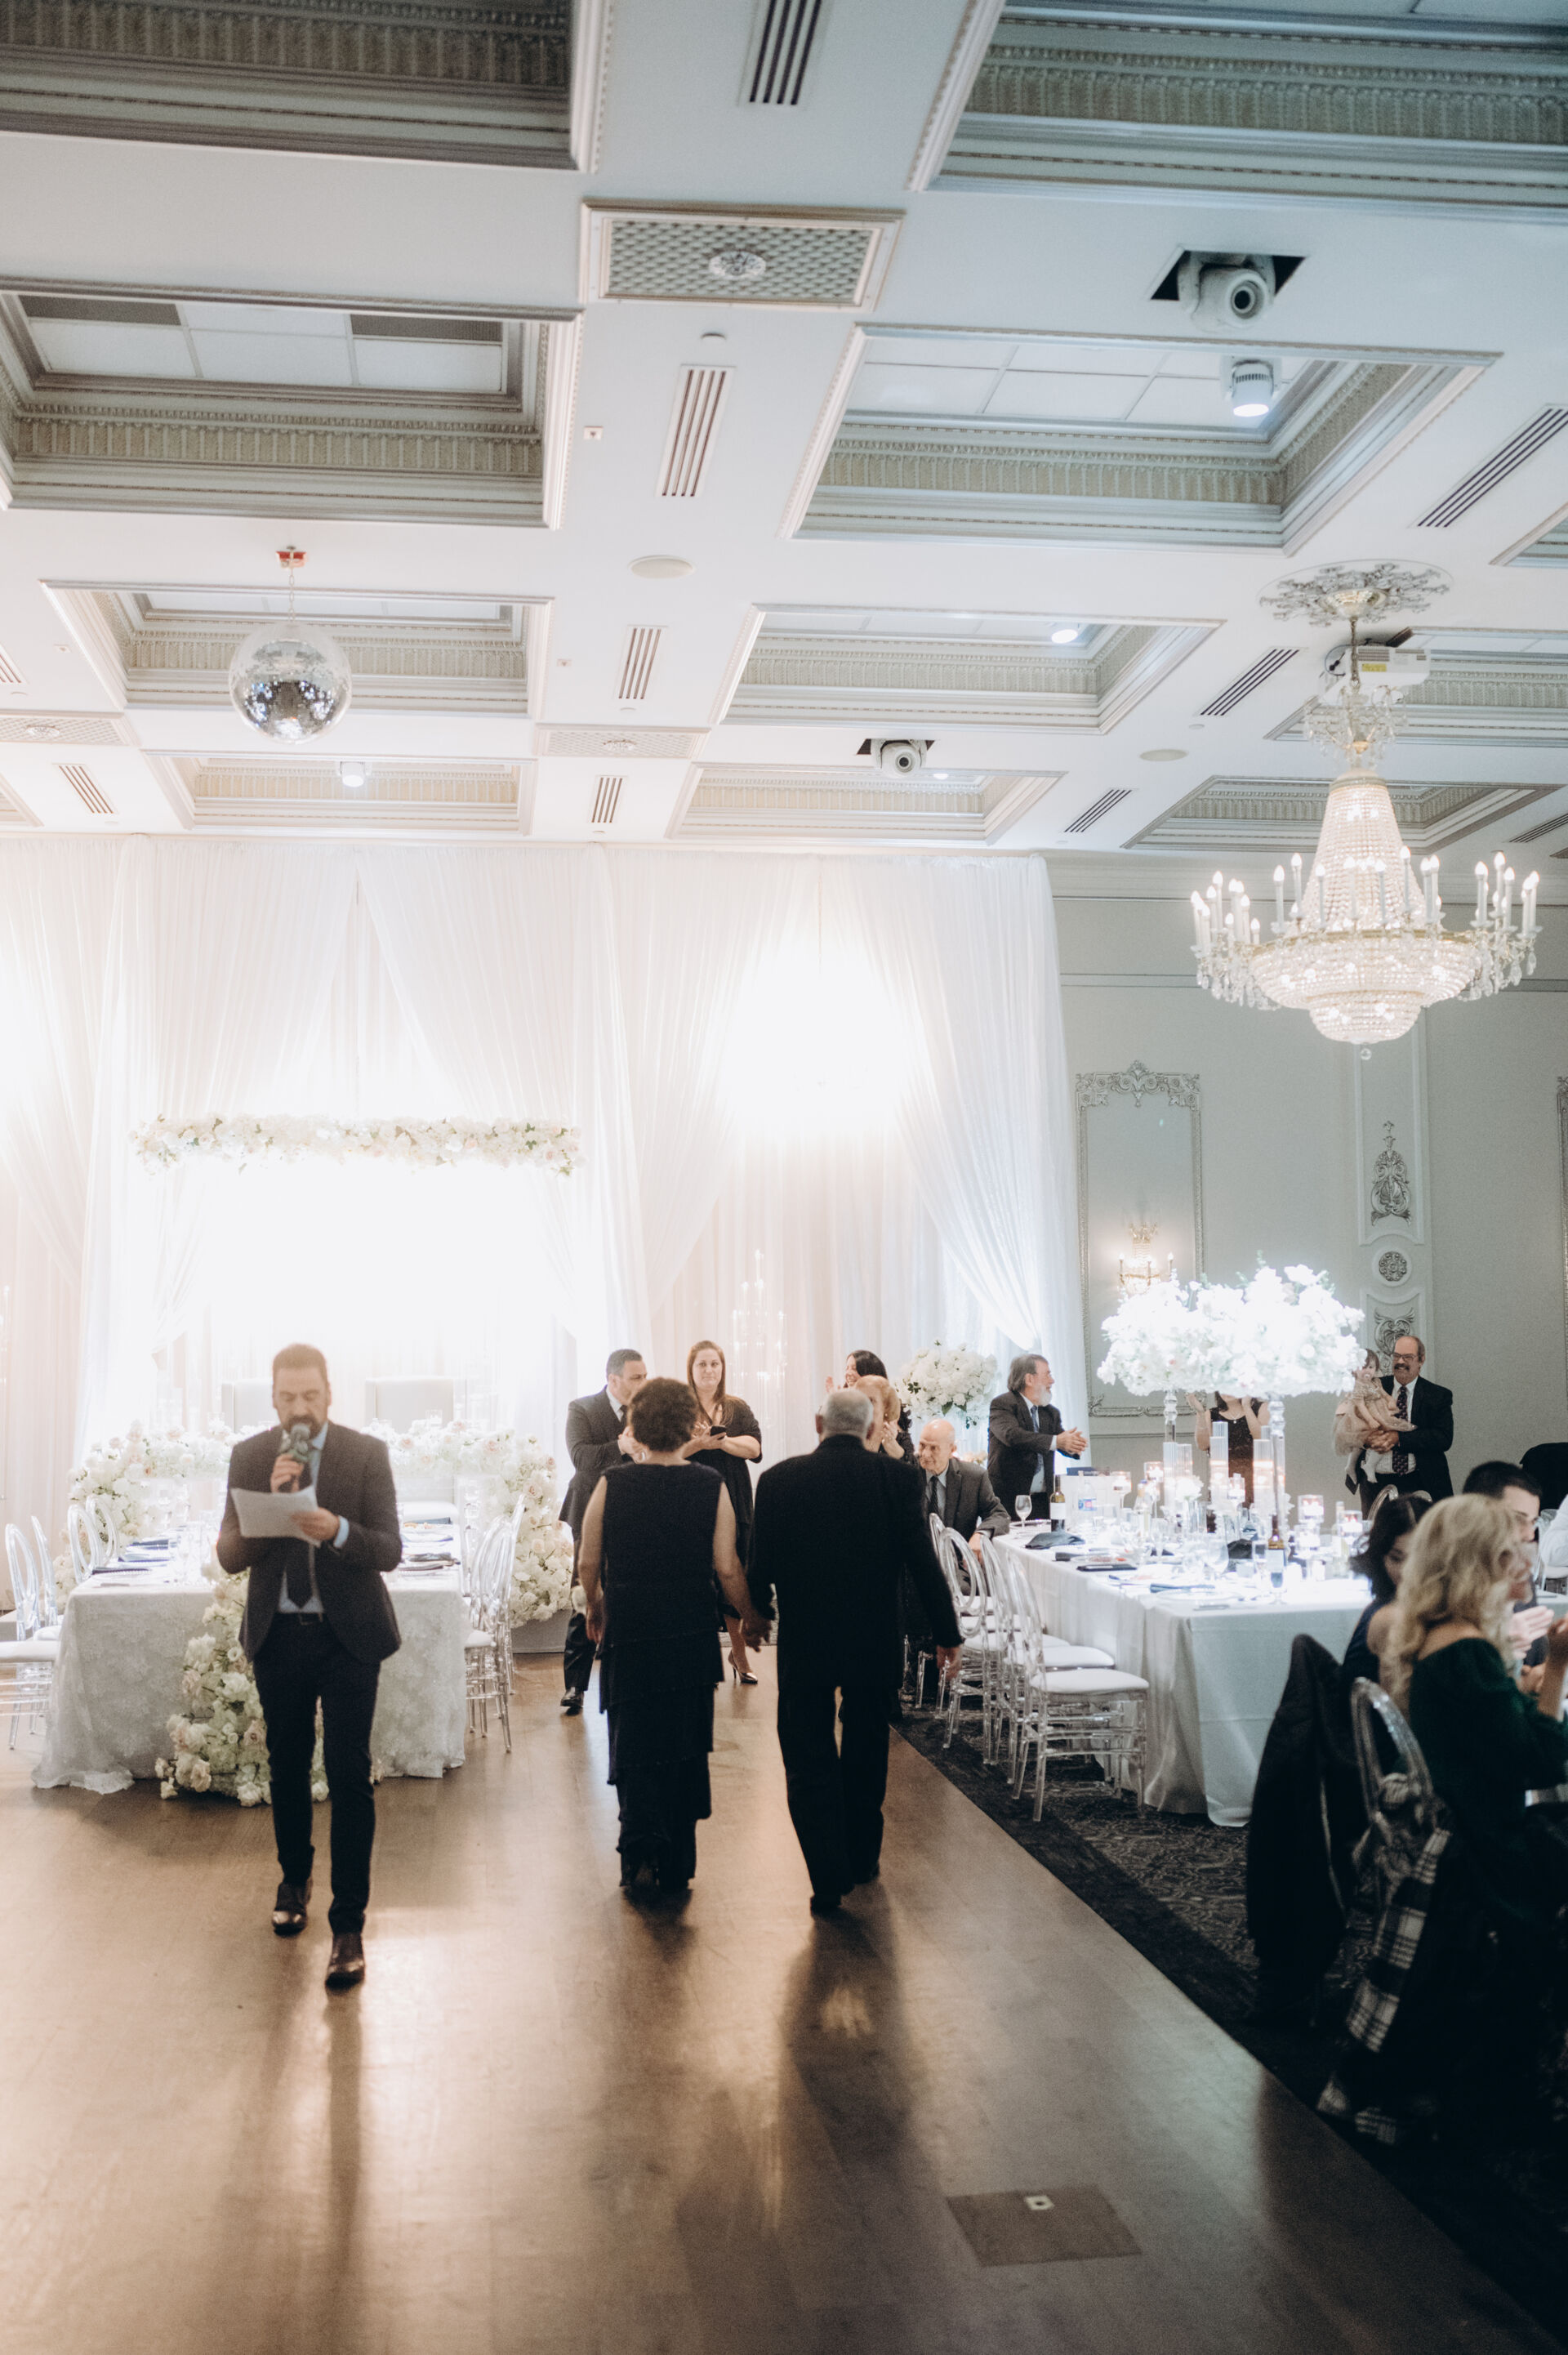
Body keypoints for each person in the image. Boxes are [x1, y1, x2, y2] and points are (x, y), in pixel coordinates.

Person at [216, 1343, 402, 1992]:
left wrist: (337, 1529)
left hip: (348, 1638)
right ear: (272, 1398)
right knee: (287, 1767)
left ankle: (348, 1924)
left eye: (311, 1396)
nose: (301, 1407)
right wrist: (267, 1510)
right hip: (279, 1637)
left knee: (350, 1775)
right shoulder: (249, 1455)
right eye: (288, 1396)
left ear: (329, 1394)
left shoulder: (365, 1453)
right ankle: (293, 1880)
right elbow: (229, 1554)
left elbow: (390, 1547)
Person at [746, 1387, 962, 1916]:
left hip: (807, 1641)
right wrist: (947, 1633)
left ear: (819, 1423)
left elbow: (760, 1563)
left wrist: (757, 1614)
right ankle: (862, 1856)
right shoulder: (897, 1479)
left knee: (807, 1753)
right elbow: (923, 1563)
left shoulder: (778, 1481)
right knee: (866, 1748)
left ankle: (827, 1875)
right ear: (869, 1429)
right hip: (872, 1639)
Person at [576, 1379, 751, 1895]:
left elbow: (587, 1560)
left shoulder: (613, 1482)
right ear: (687, 1426)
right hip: (690, 1630)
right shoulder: (709, 1485)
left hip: (631, 1627)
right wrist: (752, 1616)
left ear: (637, 1426)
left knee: (634, 1739)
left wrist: (595, 1606)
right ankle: (676, 1862)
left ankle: (638, 1855)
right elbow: (727, 1566)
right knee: (684, 1743)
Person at [558, 1348, 647, 1715]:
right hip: (589, 1509)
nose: (643, 1383)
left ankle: (627, 1680)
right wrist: (620, 1447)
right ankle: (576, 1686)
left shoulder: (647, 1411)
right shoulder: (582, 1409)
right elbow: (580, 1458)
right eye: (637, 1377)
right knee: (585, 1592)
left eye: (645, 1376)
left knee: (630, 1594)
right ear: (614, 1379)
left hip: (634, 1510)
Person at [684, 1339, 762, 1686]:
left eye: (714, 1364)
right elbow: (668, 1452)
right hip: (692, 1498)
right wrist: (699, 1444)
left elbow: (755, 1448)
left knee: (735, 1573)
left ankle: (739, 1654)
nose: (709, 1370)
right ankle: (700, 1659)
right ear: (691, 1370)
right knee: (698, 1579)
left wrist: (723, 1442)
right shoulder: (680, 1408)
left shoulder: (736, 1407)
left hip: (734, 1494)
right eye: (702, 1364)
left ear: (723, 1368)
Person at [1339, 1492, 1428, 1697]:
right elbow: (1402, 1707)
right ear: (1381, 1557)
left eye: (1419, 1558)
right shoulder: (1391, 1616)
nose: (1407, 1571)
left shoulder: (1395, 1605)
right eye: (1397, 1558)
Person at [1356, 1334, 1452, 1514]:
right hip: (1376, 1482)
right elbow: (1354, 1425)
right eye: (1397, 1356)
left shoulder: (1438, 1395)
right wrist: (1369, 1439)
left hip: (1420, 1480)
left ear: (1421, 1360)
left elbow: (1443, 1438)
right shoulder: (1375, 1387)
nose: (1400, 1361)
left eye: (1407, 1357)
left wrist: (1399, 1438)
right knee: (1376, 1531)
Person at [987, 1353, 1085, 1520]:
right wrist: (1057, 1441)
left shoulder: (1050, 1412)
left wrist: (1073, 1445)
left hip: (1042, 1502)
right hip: (1009, 1500)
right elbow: (1012, 1436)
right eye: (1047, 1374)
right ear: (1029, 1379)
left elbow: (1059, 1440)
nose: (1052, 1381)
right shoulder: (1003, 1404)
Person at [915, 1419, 1009, 1554]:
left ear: (952, 1450)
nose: (925, 1454)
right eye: (922, 1446)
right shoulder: (907, 1474)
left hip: (958, 1561)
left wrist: (981, 1534)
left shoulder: (974, 1477)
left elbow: (999, 1514)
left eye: (934, 1448)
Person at [1192, 1390, 1269, 1505]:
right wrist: (1201, 1414)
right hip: (1222, 1483)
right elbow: (1203, 1445)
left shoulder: (1262, 1408)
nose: (1226, 1391)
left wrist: (1246, 1406)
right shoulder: (1211, 1414)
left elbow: (1261, 1440)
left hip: (1257, 1482)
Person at [852, 1372, 906, 1463]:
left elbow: (914, 1470)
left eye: (871, 1400)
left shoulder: (901, 1439)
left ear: (886, 1405)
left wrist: (896, 1452)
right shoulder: (847, 1437)